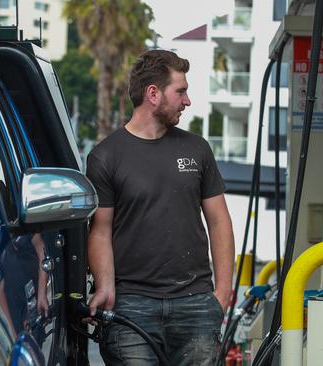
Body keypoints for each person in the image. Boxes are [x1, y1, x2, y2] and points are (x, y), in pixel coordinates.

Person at [86, 49, 235, 365]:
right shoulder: (105, 157)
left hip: (196, 304)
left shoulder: (198, 150)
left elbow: (220, 221)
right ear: (153, 94)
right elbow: (100, 230)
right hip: (131, 307)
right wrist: (105, 287)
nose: (187, 101)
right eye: (180, 91)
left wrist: (221, 296)